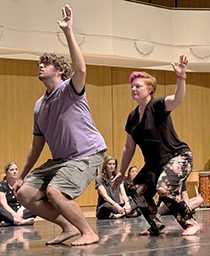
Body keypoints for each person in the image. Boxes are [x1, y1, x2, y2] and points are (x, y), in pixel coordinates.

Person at [14, 5, 107, 246]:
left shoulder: (69, 90)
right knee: (24, 193)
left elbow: (82, 68)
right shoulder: (39, 105)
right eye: (40, 63)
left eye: (46, 63)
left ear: (60, 70)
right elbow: (36, 146)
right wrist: (21, 176)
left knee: (55, 192)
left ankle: (88, 232)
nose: (41, 66)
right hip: (61, 160)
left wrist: (68, 31)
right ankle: (68, 227)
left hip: (87, 154)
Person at [113, 55, 200, 236]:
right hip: (155, 165)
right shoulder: (132, 117)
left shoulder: (158, 105)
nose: (133, 88)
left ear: (150, 89)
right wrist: (121, 172)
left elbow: (177, 99)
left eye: (138, 86)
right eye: (132, 86)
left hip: (178, 156)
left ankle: (190, 222)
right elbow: (128, 148)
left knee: (164, 188)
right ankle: (156, 225)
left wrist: (181, 77)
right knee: (134, 189)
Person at [0, 161, 36, 226]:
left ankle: (10, 222)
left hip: (20, 212)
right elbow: (4, 204)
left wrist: (21, 210)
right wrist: (14, 214)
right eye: (12, 170)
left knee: (35, 206)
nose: (15, 171)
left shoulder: (21, 184)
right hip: (9, 212)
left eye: (16, 169)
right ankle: (21, 221)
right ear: (6, 172)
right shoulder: (2, 185)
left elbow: (26, 200)